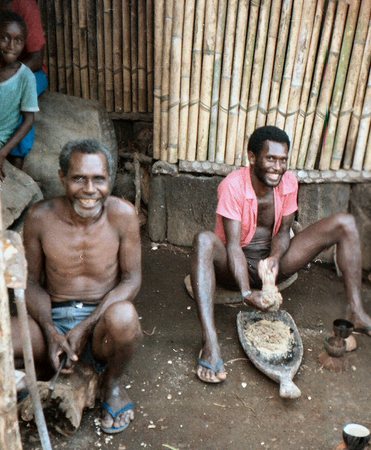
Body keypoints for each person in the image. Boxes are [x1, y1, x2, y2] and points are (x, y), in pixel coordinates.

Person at [191, 125, 371, 384]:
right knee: (204, 240)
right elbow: (232, 246)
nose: (278, 167)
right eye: (271, 159)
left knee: (346, 223)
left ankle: (355, 310)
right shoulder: (233, 186)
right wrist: (245, 292)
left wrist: (274, 260)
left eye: (283, 160)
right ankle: (210, 342)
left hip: (273, 264)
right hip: (234, 266)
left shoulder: (288, 181)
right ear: (252, 157)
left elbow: (284, 231)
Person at [11, 139, 142, 434]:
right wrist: (49, 329)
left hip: (100, 327)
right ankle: (50, 367)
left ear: (110, 179)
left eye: (99, 179)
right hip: (52, 319)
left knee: (124, 317)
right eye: (78, 178)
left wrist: (87, 326)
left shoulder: (123, 216)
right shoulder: (40, 217)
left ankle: (111, 384)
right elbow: (30, 282)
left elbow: (131, 279)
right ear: (62, 177)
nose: (89, 189)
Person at [0, 10, 38, 176]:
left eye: (18, 41)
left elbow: (29, 120)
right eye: (5, 38)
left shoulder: (25, 76)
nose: (11, 46)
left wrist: (3, 152)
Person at [0, 0, 48, 96]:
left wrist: (5, 75)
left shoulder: (26, 5)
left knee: (10, 98)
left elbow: (36, 60)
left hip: (30, 72)